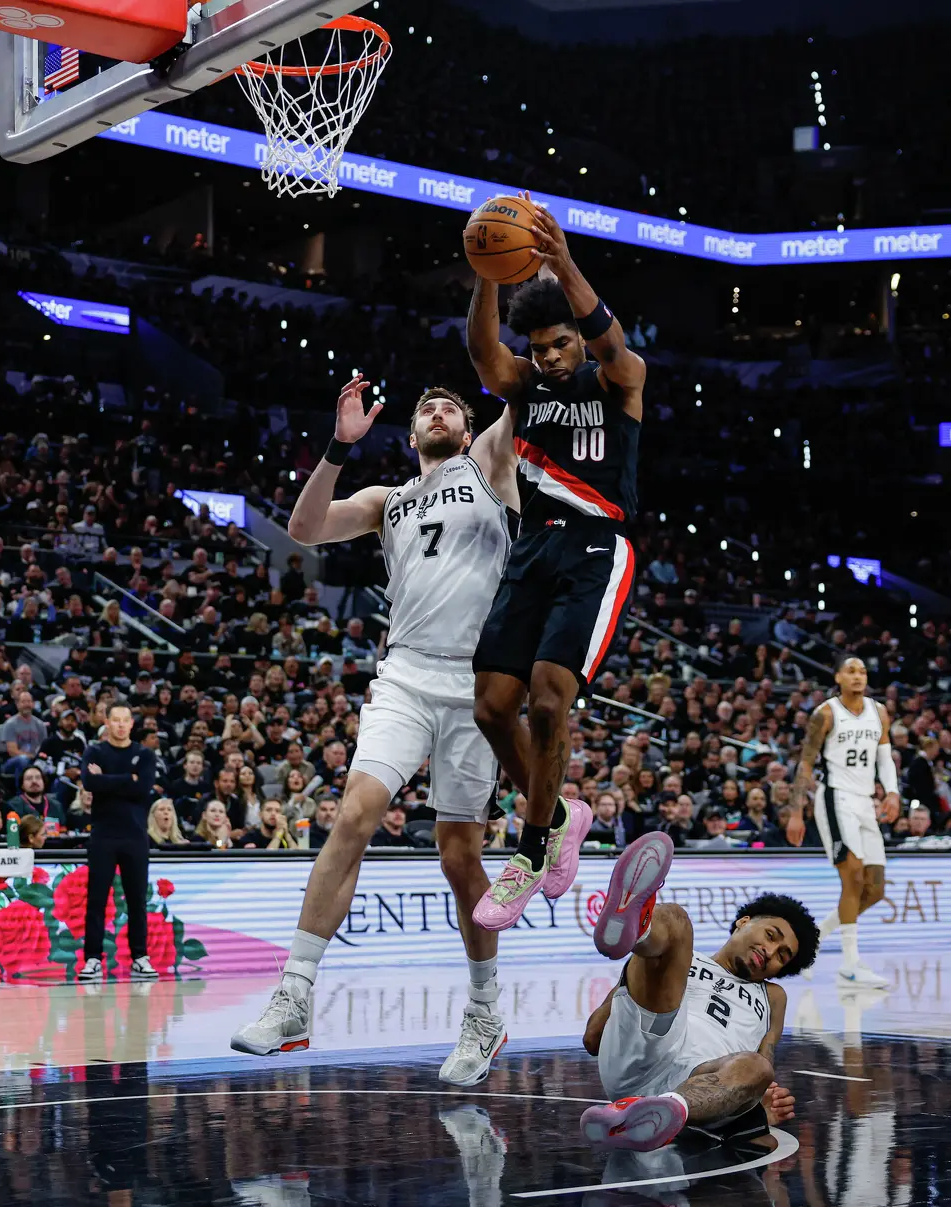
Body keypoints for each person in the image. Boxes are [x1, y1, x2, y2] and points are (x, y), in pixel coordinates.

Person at [231, 374, 520, 1088]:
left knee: (460, 859)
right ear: (412, 431)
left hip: (476, 683)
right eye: (427, 408)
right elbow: (302, 530)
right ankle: (295, 994)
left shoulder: (490, 464)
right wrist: (338, 445)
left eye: (450, 405)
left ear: (468, 422)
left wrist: (525, 289)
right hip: (406, 675)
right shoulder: (385, 501)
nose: (437, 412)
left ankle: (484, 1011)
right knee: (355, 812)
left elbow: (524, 389)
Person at [466, 196, 645, 929]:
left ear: (578, 338)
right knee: (490, 707)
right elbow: (483, 356)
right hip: (533, 543)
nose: (547, 357)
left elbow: (614, 342)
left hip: (597, 544)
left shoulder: (619, 380)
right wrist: (487, 274)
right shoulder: (530, 387)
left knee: (547, 697)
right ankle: (562, 812)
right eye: (538, 348)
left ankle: (531, 847)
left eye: (558, 344)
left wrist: (563, 261)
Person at [579, 832, 817, 1151]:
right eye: (771, 935)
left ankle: (656, 1114)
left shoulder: (773, 995)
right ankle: (636, 931)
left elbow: (764, 1062)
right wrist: (632, 979)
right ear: (742, 922)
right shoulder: (683, 957)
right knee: (677, 921)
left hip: (701, 1082)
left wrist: (755, 1102)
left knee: (758, 1068)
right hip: (646, 1043)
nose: (771, 952)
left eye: (782, 956)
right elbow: (593, 1038)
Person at [789, 656, 899, 988]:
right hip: (836, 798)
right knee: (852, 878)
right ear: (838, 676)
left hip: (866, 802)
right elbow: (805, 764)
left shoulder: (879, 712)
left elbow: (885, 758)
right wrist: (796, 811)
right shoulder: (824, 713)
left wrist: (892, 793)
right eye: (851, 670)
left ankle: (815, 937)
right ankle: (850, 966)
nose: (858, 676)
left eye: (863, 671)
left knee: (875, 888)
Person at [77, 704, 158, 982]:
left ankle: (139, 956)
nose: (121, 725)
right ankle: (92, 959)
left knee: (137, 900)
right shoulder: (95, 751)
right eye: (116, 720)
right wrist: (127, 780)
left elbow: (143, 786)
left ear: (131, 724)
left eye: (126, 720)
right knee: (97, 900)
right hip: (103, 835)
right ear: (106, 722)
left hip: (135, 836)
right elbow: (89, 783)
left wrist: (107, 780)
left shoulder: (144, 754)